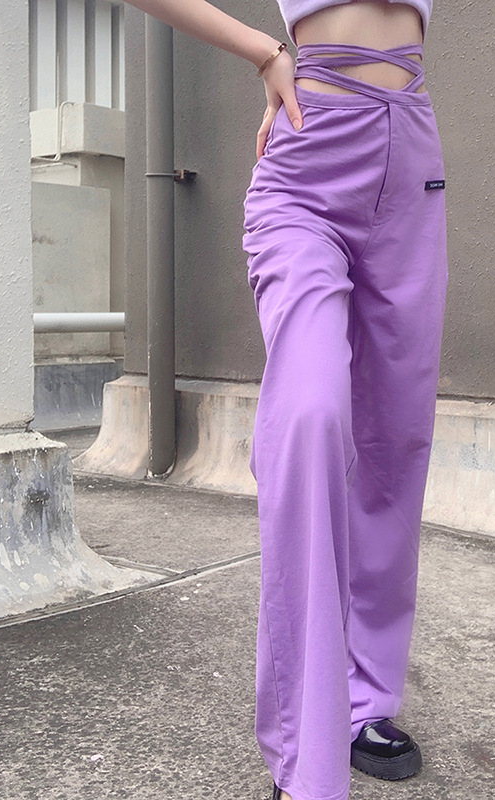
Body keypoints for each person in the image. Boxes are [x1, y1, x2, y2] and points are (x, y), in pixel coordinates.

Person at [124, 2, 447, 799]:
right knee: (310, 416)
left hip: (410, 159)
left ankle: (366, 699)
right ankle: (307, 750)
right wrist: (263, 53)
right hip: (307, 166)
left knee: (396, 438)